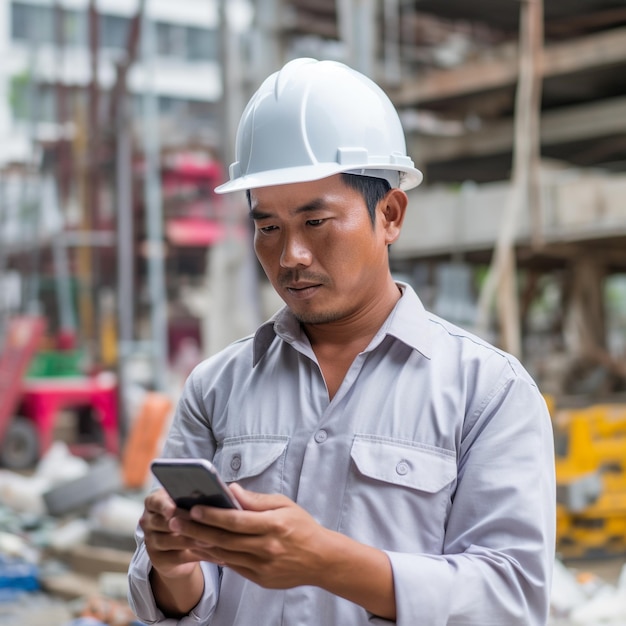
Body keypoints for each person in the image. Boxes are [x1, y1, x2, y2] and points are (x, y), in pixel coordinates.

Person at [128, 57, 555, 625]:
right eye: (268, 227)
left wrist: (328, 562)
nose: (291, 256)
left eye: (316, 222)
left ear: (390, 214)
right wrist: (172, 567)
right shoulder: (216, 387)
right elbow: (179, 602)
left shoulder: (488, 393)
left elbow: (510, 600)